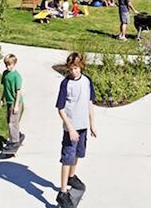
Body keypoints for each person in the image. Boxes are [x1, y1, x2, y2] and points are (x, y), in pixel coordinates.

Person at [56, 53, 97, 208]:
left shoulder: (87, 81)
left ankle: (71, 177)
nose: (73, 71)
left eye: (76, 68)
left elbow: (90, 102)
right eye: (71, 69)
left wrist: (92, 123)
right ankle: (63, 192)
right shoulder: (66, 84)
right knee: (67, 157)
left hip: (83, 126)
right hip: (70, 129)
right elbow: (60, 109)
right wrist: (70, 129)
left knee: (78, 154)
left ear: (81, 66)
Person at [0, 54, 25, 151]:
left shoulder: (16, 76)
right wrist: (2, 99)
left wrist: (16, 106)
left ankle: (14, 142)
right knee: (9, 121)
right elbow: (5, 88)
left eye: (9, 64)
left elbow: (18, 91)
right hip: (9, 101)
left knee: (12, 122)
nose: (7, 67)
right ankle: (17, 135)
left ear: (14, 64)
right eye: (6, 64)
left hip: (16, 102)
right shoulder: (5, 74)